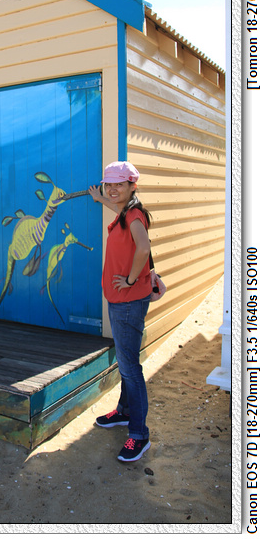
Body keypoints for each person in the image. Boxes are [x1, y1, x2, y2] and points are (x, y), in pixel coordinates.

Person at [89, 161, 152, 462]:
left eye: (119, 185)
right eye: (109, 184)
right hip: (123, 301)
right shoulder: (126, 211)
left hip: (127, 302)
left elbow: (143, 248)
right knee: (127, 361)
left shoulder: (135, 215)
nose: (113, 189)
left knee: (130, 369)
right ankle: (124, 411)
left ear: (132, 186)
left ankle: (139, 435)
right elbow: (118, 209)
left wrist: (130, 280)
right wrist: (100, 199)